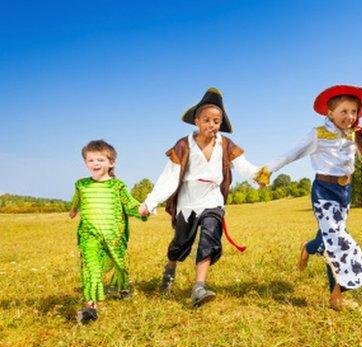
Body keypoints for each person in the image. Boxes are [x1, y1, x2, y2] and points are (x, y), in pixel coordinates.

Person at [265, 85, 362, 310]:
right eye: (344, 111)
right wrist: (268, 169)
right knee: (337, 242)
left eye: (354, 112)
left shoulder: (356, 135)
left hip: (345, 193)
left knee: (330, 238)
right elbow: (291, 153)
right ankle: (336, 297)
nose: (350, 117)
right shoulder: (318, 134)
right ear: (330, 113)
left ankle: (309, 247)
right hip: (324, 191)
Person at [139, 87, 265, 307]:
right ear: (196, 121)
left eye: (216, 121)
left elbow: (244, 166)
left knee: (209, 237)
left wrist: (258, 176)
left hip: (212, 200)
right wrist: (150, 202)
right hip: (187, 203)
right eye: (207, 120)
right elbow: (168, 178)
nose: (212, 125)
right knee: (180, 243)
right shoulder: (183, 145)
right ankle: (170, 269)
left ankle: (199, 286)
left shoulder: (225, 144)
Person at [69, 140, 147, 324]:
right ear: (85, 163)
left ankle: (122, 287)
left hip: (113, 237)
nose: (95, 163)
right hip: (90, 236)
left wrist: (142, 210)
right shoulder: (81, 184)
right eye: (91, 160)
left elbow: (129, 204)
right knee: (91, 269)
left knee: (121, 266)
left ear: (111, 162)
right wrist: (73, 210)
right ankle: (90, 308)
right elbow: (76, 200)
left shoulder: (117, 186)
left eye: (100, 159)